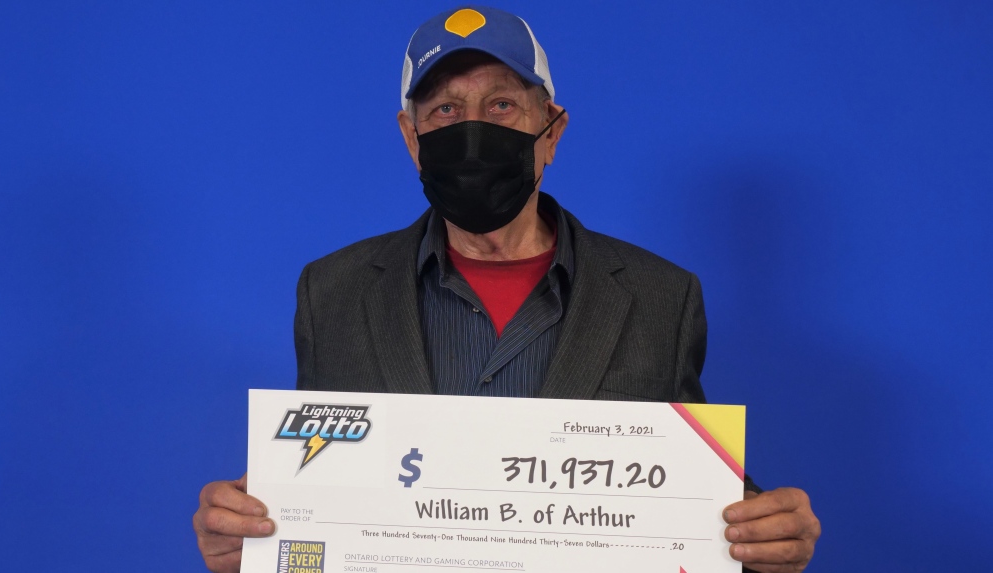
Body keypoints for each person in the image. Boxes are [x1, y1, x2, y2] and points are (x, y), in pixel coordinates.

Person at [192, 6, 821, 573]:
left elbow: (688, 497)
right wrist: (244, 534)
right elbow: (313, 494)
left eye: (501, 106)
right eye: (444, 110)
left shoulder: (662, 298)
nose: (471, 129)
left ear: (551, 131)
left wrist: (765, 533)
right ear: (411, 139)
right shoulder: (333, 293)